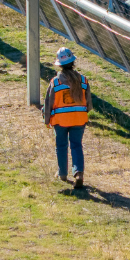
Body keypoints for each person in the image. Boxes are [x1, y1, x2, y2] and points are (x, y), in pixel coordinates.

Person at [43, 46, 91, 188]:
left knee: (61, 146)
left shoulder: (55, 82)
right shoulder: (83, 81)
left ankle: (62, 174)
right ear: (73, 62)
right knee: (76, 145)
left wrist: (47, 120)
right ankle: (79, 173)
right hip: (79, 119)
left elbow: (48, 103)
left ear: (60, 65)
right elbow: (89, 103)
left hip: (60, 121)